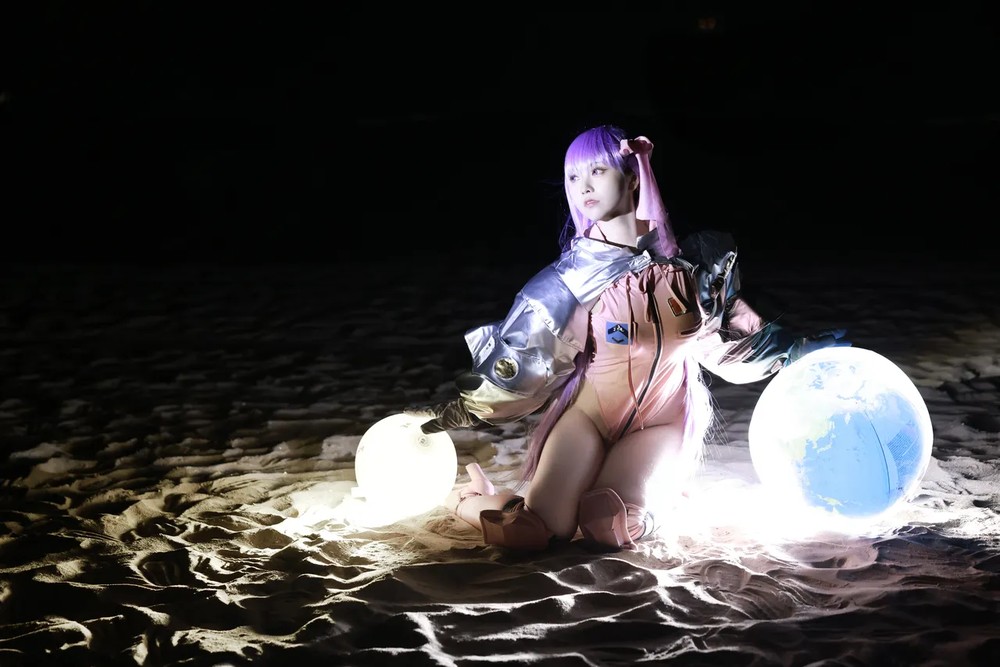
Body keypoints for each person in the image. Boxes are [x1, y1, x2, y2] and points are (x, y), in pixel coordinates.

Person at [406, 124, 848, 552]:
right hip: (590, 417)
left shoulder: (693, 270)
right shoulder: (569, 280)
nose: (583, 186)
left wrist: (797, 354)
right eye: (573, 176)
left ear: (633, 176)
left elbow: (728, 344)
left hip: (661, 421)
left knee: (608, 524)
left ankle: (663, 501)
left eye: (597, 170)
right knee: (533, 532)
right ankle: (472, 500)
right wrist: (464, 410)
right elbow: (527, 361)